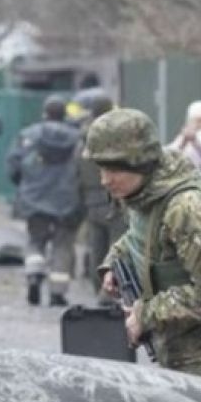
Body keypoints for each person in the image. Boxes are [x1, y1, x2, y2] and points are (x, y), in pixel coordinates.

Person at [86, 108, 201, 381]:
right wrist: (114, 263)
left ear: (139, 162)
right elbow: (142, 236)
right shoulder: (146, 192)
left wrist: (145, 314)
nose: (105, 180)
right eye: (101, 168)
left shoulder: (187, 208)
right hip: (180, 351)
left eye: (114, 169)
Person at [7, 95, 83, 306]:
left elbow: (13, 165)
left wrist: (24, 186)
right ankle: (57, 292)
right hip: (67, 200)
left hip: (34, 198)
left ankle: (34, 274)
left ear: (44, 113)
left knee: (35, 240)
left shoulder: (28, 135)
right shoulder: (77, 138)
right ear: (64, 114)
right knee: (62, 245)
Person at [75, 94, 127, 299]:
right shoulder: (116, 137)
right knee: (117, 247)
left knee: (96, 247)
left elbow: (77, 172)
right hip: (115, 199)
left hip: (91, 200)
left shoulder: (83, 138)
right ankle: (108, 296)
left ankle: (98, 288)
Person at [166, 100, 201, 172]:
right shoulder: (185, 135)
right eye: (195, 120)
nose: (198, 124)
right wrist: (184, 141)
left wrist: (195, 141)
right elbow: (169, 155)